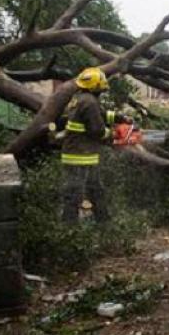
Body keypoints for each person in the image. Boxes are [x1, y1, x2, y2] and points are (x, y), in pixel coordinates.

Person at [59, 67, 124, 223]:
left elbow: (100, 114)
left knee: (95, 189)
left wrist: (119, 117)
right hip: (80, 156)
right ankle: (68, 227)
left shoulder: (81, 99)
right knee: (75, 193)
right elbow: (97, 130)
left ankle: (104, 222)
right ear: (96, 86)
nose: (102, 89)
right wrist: (113, 135)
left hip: (80, 153)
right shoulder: (90, 101)